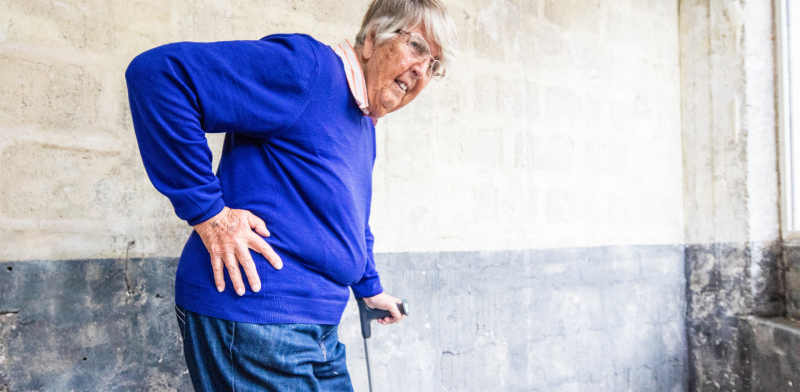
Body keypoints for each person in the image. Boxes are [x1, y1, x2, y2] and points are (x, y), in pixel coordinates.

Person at [125, 0, 458, 390]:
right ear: (370, 40)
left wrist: (370, 288)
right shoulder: (310, 70)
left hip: (316, 328)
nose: (422, 71)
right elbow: (159, 75)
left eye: (434, 65)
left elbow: (349, 216)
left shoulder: (364, 122)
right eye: (417, 46)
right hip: (257, 318)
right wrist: (208, 212)